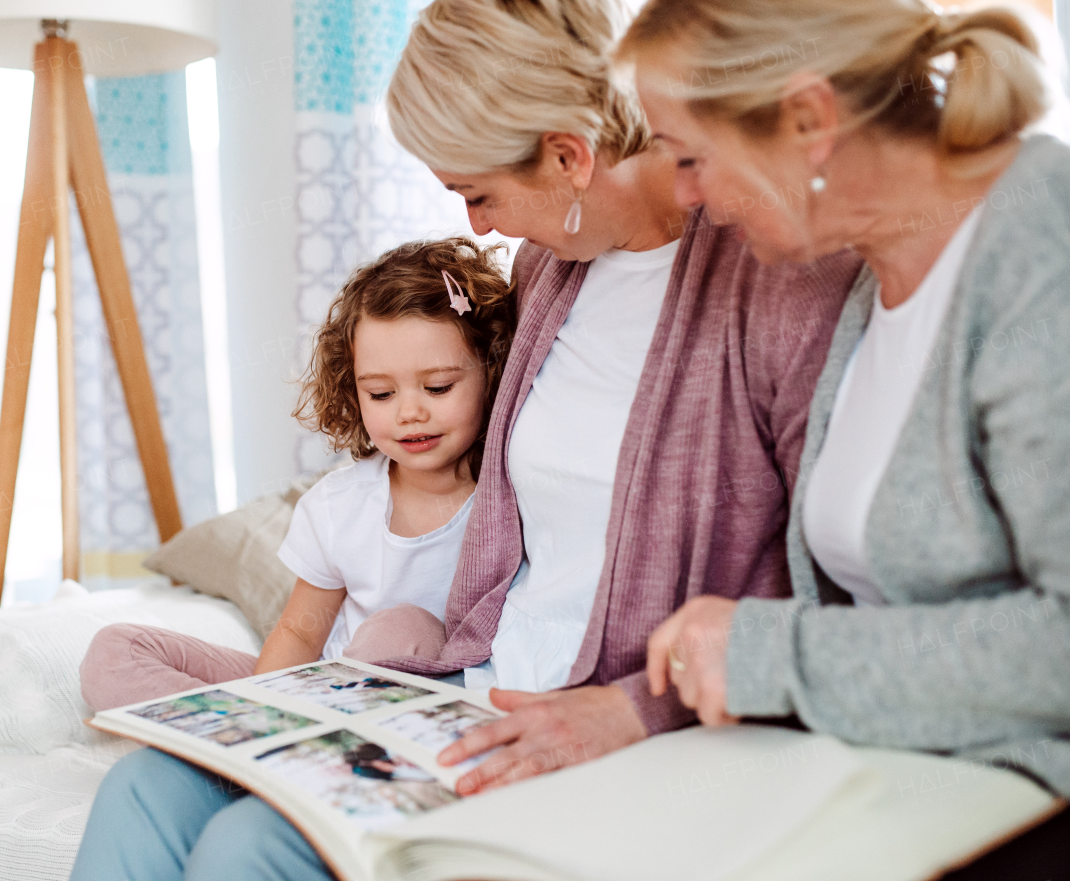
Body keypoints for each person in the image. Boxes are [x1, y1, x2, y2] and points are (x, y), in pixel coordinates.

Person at [70, 1, 862, 877]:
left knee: (248, 848)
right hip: (469, 686)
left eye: (478, 192)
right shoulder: (549, 271)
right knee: (143, 787)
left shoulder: (776, 277)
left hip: (606, 723)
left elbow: (823, 589)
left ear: (568, 157)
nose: (478, 227)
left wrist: (632, 709)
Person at [620, 0, 1070, 801]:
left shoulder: (1041, 243)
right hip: (885, 780)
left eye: (691, 158)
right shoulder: (869, 280)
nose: (686, 195)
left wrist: (772, 655)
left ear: (807, 119)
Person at [77, 237, 515, 715]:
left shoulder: (512, 494)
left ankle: (262, 751)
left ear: (491, 372)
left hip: (425, 701)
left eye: (437, 387)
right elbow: (301, 633)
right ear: (353, 390)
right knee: (115, 652)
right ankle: (253, 747)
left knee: (403, 629)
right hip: (320, 694)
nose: (409, 412)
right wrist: (270, 710)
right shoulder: (339, 505)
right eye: (381, 394)